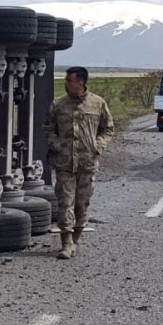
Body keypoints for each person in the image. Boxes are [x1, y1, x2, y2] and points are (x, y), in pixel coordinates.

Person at [44, 66, 115, 260]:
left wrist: (97, 146)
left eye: (69, 80)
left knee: (82, 203)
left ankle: (76, 238)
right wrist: (56, 144)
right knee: (65, 202)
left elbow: (107, 129)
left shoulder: (97, 103)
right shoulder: (58, 105)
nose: (66, 84)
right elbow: (49, 128)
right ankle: (66, 242)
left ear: (81, 82)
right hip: (64, 162)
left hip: (87, 162)